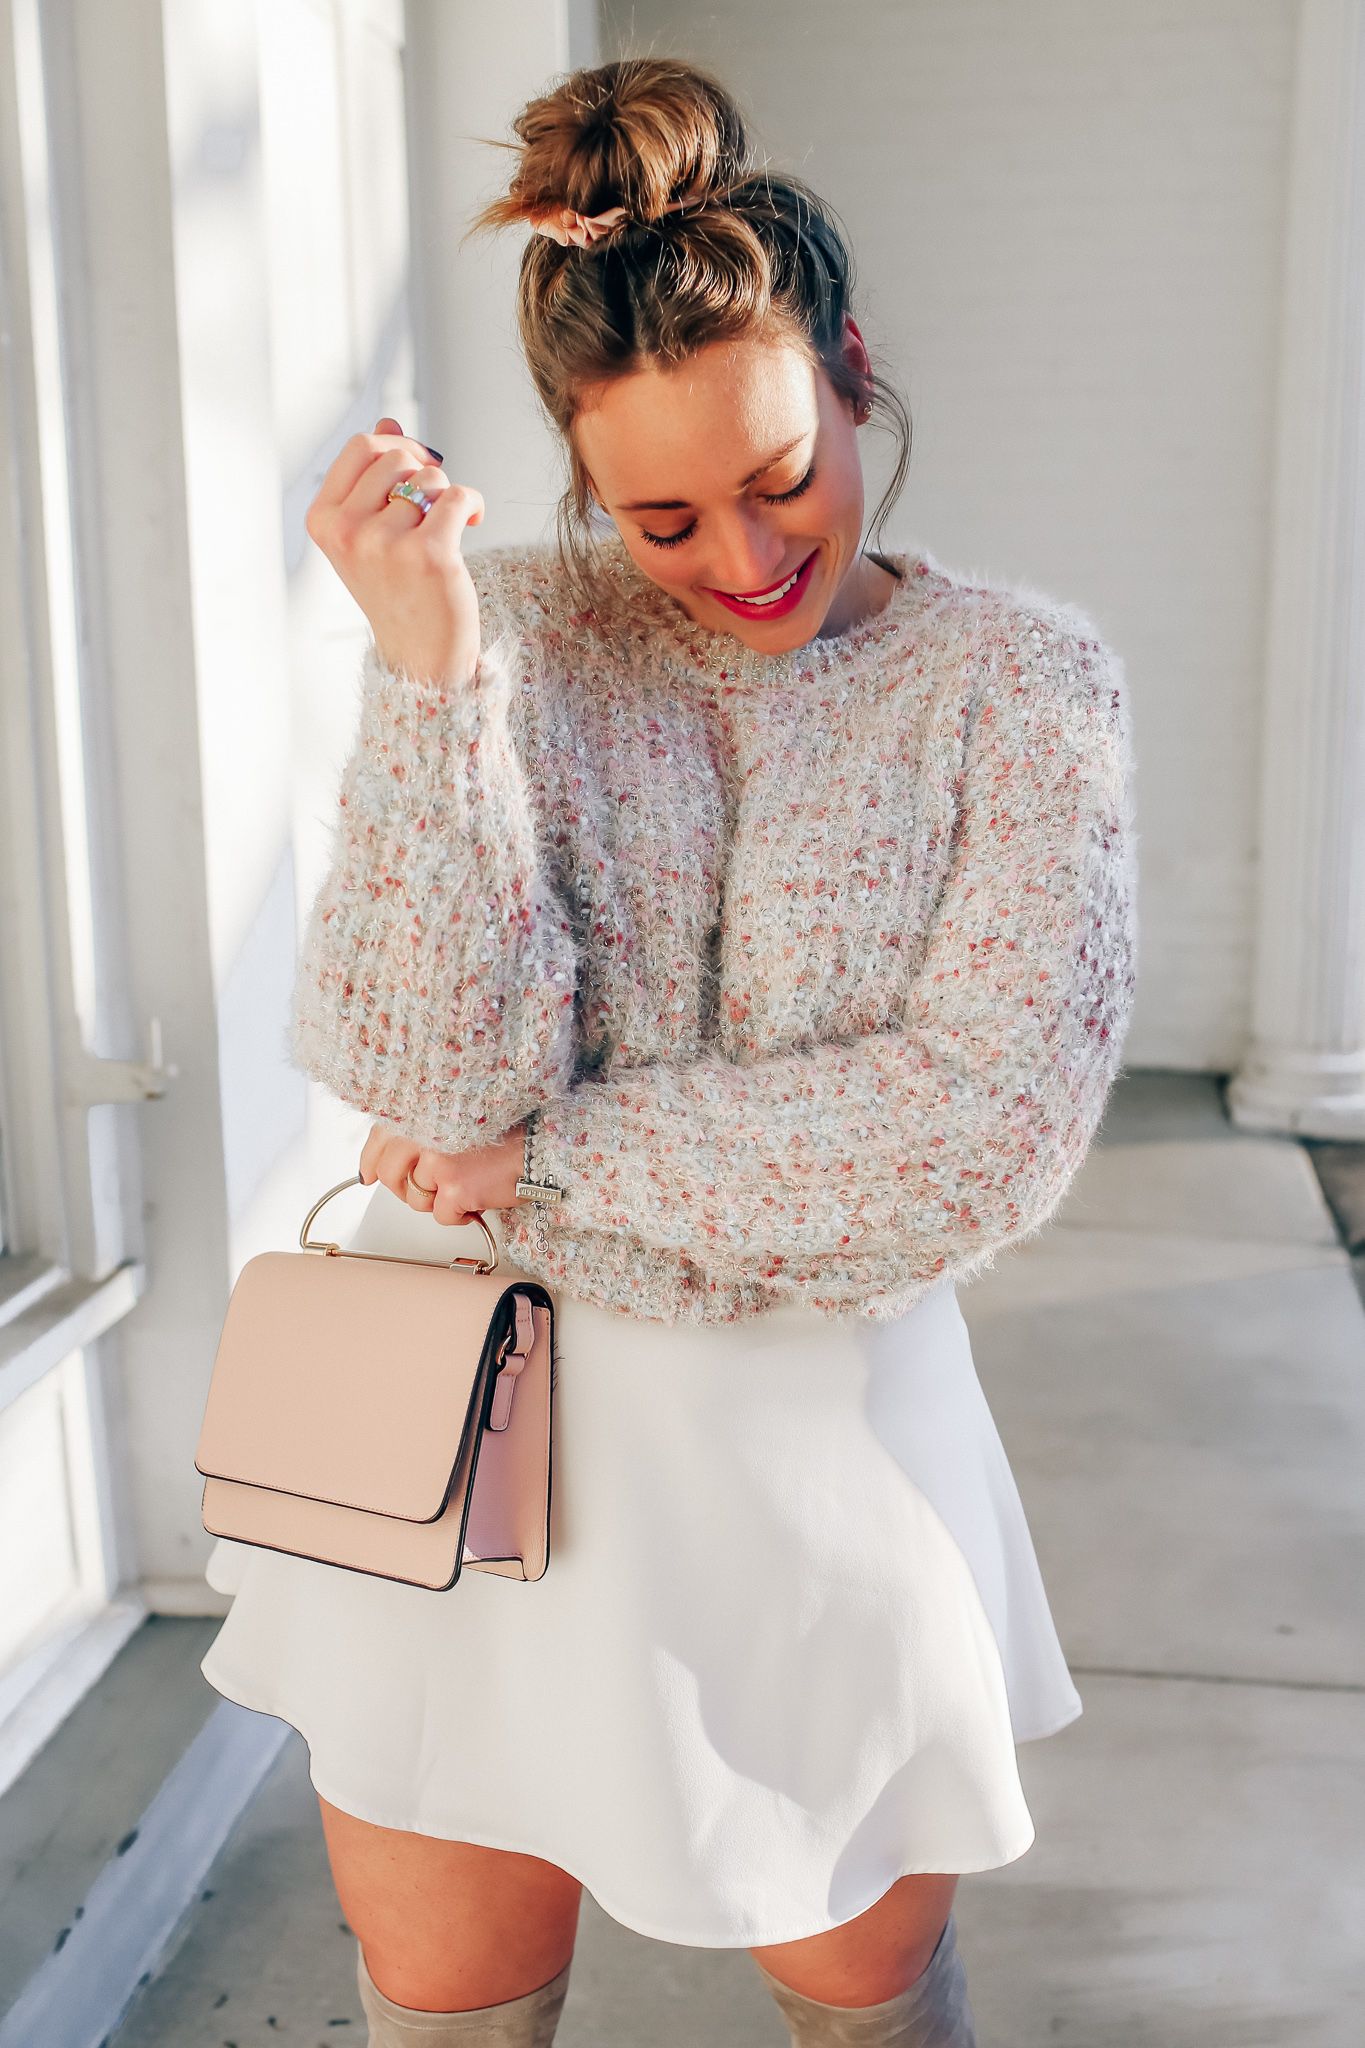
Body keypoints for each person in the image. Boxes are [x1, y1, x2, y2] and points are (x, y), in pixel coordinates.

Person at [202, 57, 1133, 2048]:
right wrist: (432, 678)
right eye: (658, 511)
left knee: (868, 1999)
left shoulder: (1021, 690)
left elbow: (970, 1137)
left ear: (852, 366)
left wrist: (551, 1169)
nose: (739, 557)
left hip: (815, 1474)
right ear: (575, 476)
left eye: (781, 472)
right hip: (447, 1457)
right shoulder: (510, 646)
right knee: (444, 1999)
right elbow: (421, 1084)